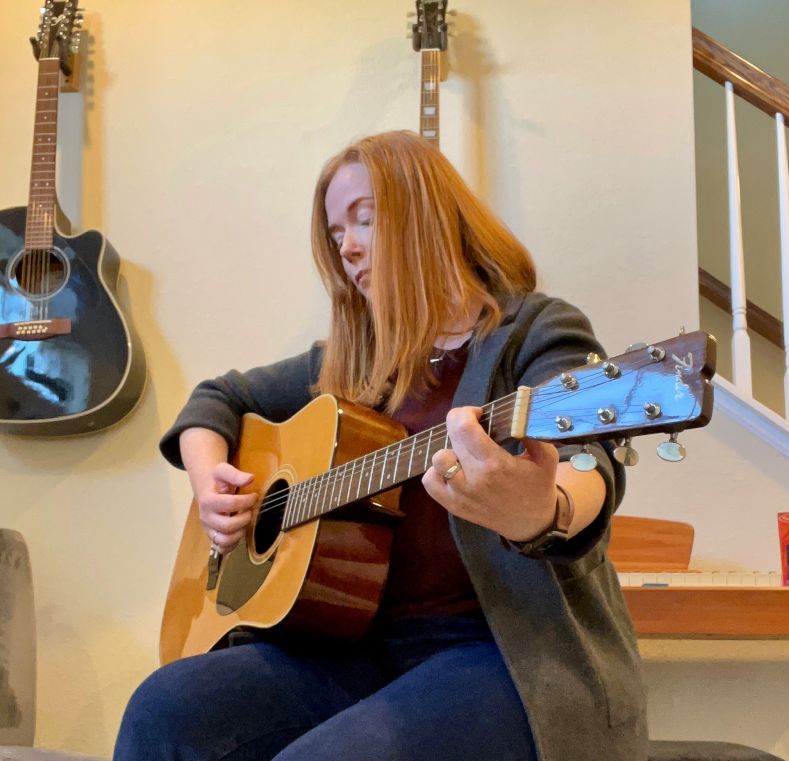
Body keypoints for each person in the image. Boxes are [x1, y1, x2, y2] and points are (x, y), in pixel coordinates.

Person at [114, 130, 647, 761]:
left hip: (500, 652)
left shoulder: (534, 329)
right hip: (353, 647)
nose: (349, 248)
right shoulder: (357, 361)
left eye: (365, 219)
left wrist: (546, 511)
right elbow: (217, 398)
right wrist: (210, 486)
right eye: (337, 235)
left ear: (427, 212)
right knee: (163, 709)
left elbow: (591, 461)